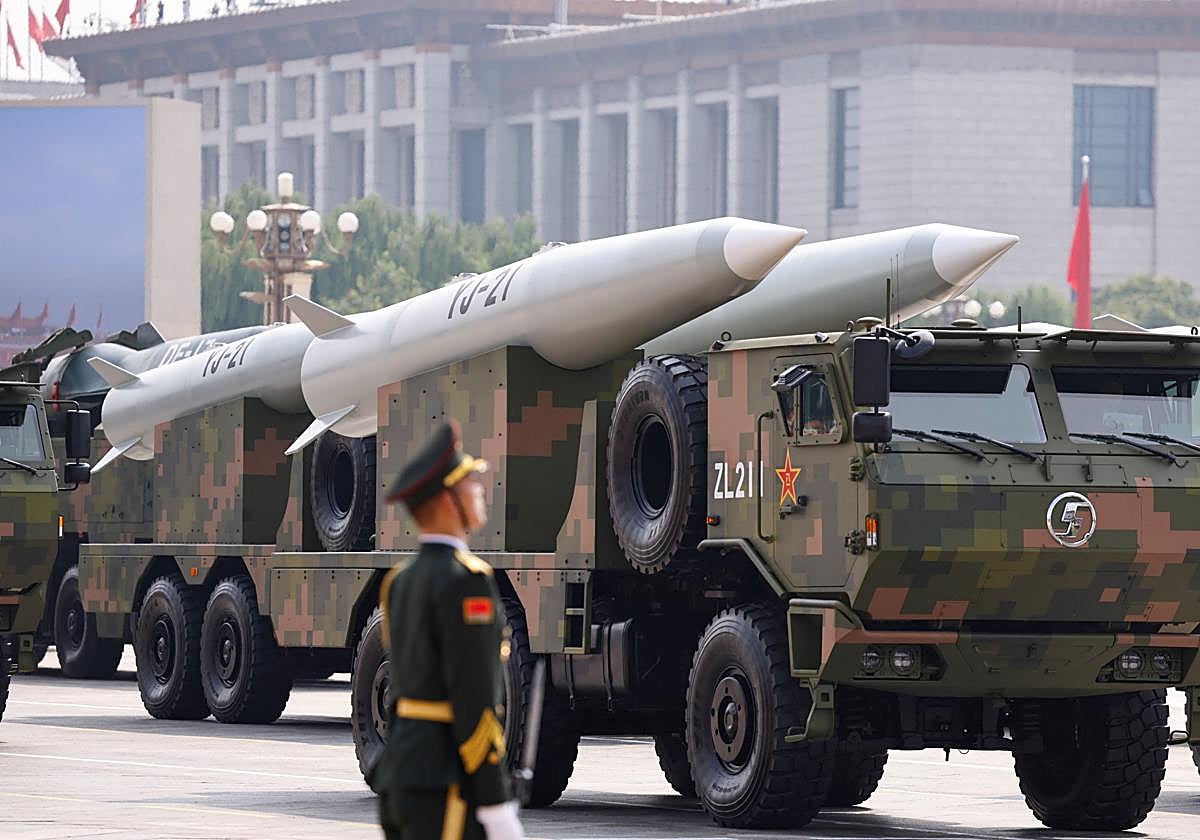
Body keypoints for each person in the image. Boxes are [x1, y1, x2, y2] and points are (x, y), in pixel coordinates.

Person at [374, 421, 524, 840]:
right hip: (448, 783)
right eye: (469, 485)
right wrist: (495, 802)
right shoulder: (466, 582)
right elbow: (473, 702)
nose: (479, 492)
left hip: (404, 774)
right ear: (445, 501)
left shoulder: (401, 581)